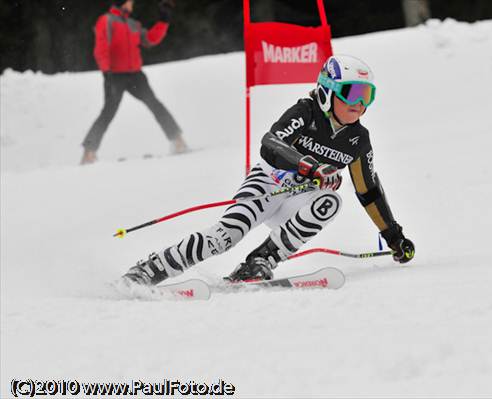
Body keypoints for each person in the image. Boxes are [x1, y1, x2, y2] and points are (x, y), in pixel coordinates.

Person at [121, 55, 415, 285]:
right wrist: (309, 165)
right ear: (328, 91)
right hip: (268, 183)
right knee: (225, 237)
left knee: (330, 202)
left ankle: (260, 261)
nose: (360, 104)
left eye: (368, 96)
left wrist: (394, 236)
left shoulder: (357, 139)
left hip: (301, 200)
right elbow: (270, 142)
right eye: (352, 94)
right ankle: (150, 269)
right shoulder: (307, 111)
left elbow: (369, 190)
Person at [81, 0, 187, 165]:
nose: (132, 5)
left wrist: (163, 21)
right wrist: (106, 71)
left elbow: (150, 39)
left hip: (135, 75)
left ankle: (177, 140)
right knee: (108, 112)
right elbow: (101, 47)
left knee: (154, 103)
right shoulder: (107, 20)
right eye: (130, 2)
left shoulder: (133, 24)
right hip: (114, 75)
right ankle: (89, 153)